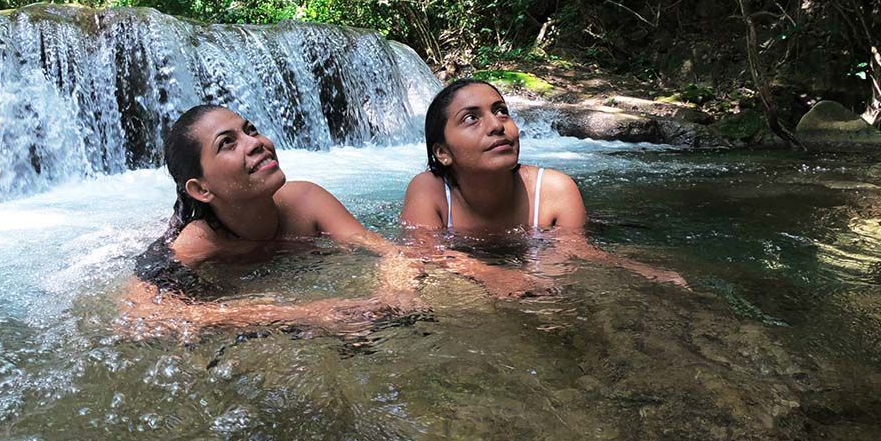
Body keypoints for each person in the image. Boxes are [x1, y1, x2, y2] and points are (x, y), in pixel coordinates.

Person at [120, 105, 424, 339]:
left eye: (250, 130)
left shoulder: (308, 201)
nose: (255, 143)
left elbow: (388, 251)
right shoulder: (196, 243)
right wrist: (300, 314)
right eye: (227, 143)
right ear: (201, 189)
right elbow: (140, 316)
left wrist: (395, 292)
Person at [400, 79, 685, 286]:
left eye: (501, 111)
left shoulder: (555, 190)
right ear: (443, 153)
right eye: (471, 118)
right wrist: (491, 274)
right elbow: (422, 254)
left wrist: (636, 269)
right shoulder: (430, 190)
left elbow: (573, 254)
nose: (497, 125)